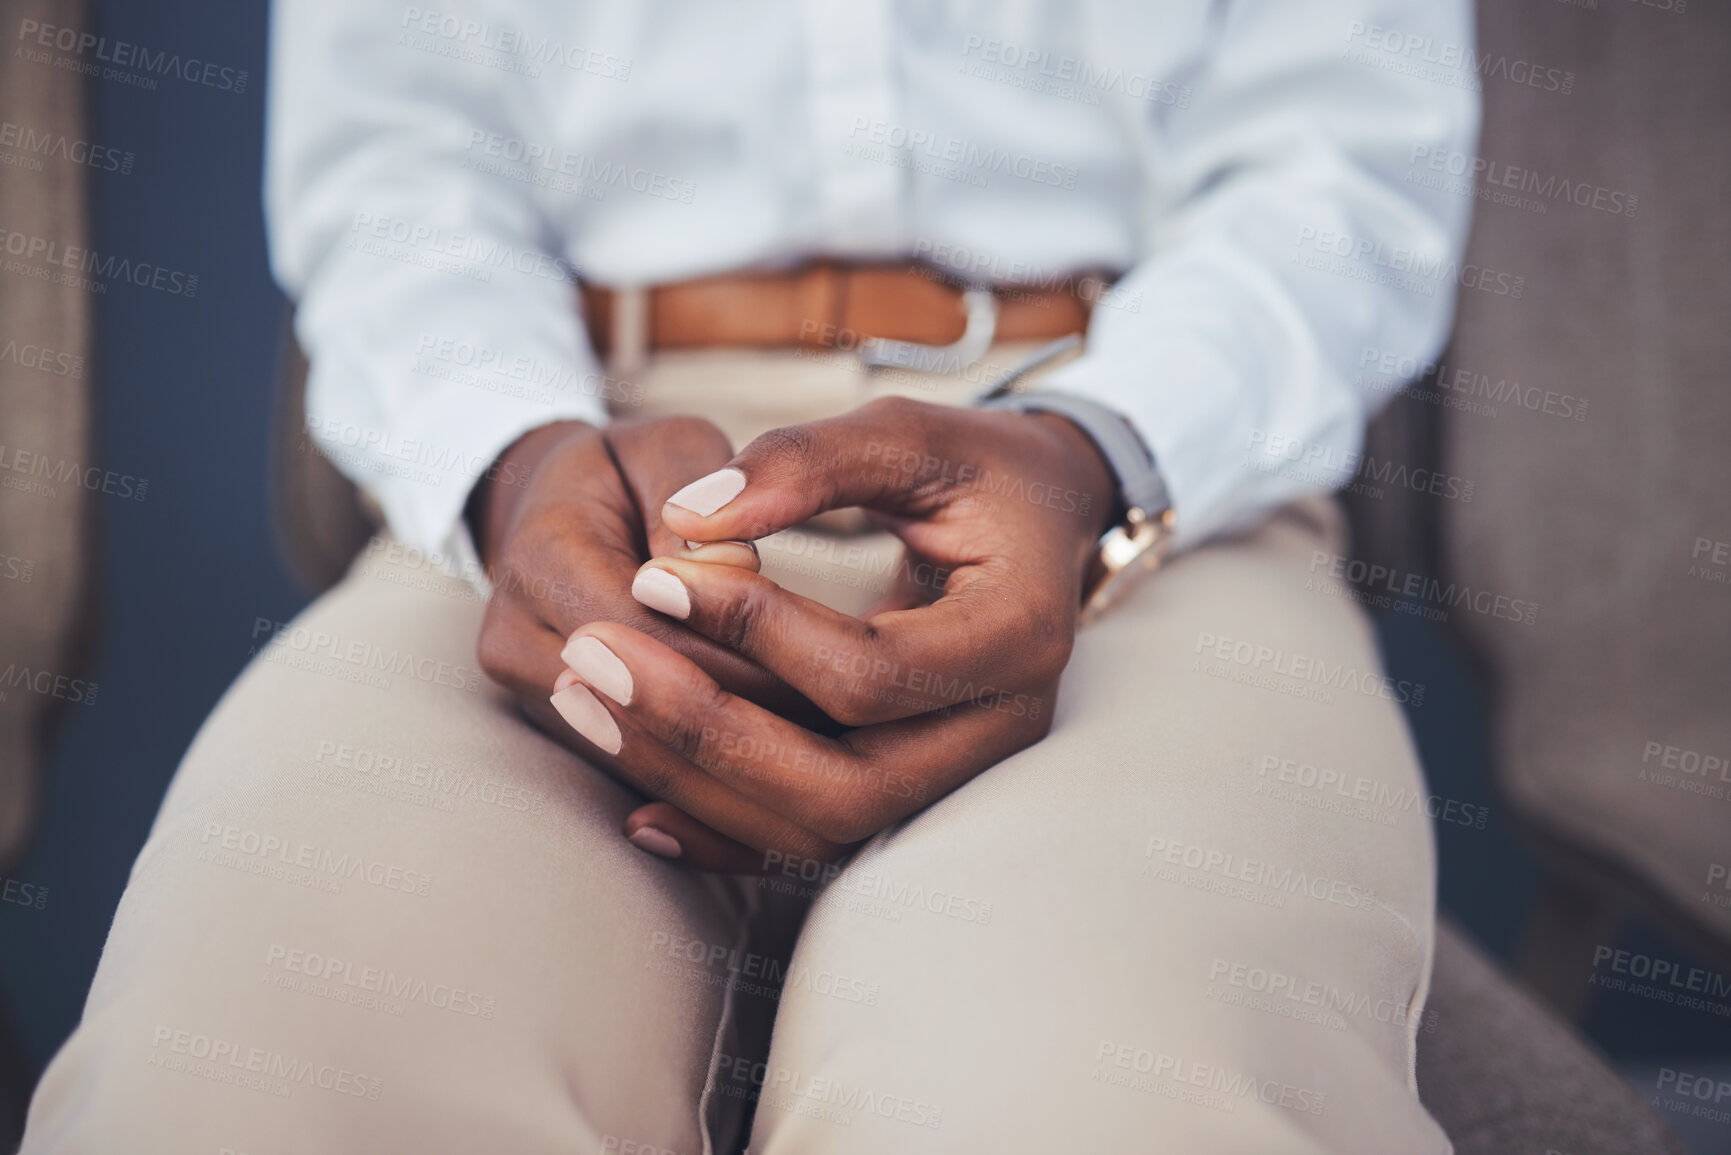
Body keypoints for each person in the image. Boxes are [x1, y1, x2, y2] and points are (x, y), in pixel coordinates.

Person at [23, 1, 1477, 1151]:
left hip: (1136, 464)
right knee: (247, 1084)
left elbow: (1346, 169)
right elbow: (396, 173)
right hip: (589, 460)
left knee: (1093, 1100)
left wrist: (1098, 452)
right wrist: (515, 461)